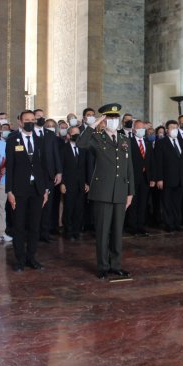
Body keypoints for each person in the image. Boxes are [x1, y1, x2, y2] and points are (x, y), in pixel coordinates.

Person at [78, 103, 135, 279]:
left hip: (120, 191)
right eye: (109, 118)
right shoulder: (97, 138)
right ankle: (102, 266)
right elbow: (80, 143)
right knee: (103, 232)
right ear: (104, 120)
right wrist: (93, 125)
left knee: (117, 232)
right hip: (102, 192)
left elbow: (129, 168)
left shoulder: (124, 140)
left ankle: (116, 265)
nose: (114, 121)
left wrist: (130, 192)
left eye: (116, 118)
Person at [5, 110, 50, 272]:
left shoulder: (39, 140)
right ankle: (20, 259)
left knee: (34, 225)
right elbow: (9, 167)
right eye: (27, 120)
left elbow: (43, 166)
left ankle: (31, 257)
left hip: (37, 189)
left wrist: (45, 189)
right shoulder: (12, 140)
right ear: (20, 122)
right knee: (19, 225)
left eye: (33, 119)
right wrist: (9, 191)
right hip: (19, 189)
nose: (30, 122)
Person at [33, 108, 63, 242]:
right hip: (34, 175)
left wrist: (59, 171)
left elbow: (56, 154)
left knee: (48, 205)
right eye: (38, 116)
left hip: (49, 174)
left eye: (42, 116)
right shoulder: (28, 133)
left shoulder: (50, 135)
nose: (41, 118)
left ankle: (45, 233)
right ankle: (34, 232)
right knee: (35, 205)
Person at [154, 119, 183, 232]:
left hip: (180, 178)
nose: (174, 130)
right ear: (167, 130)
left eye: (176, 127)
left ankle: (177, 223)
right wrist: (159, 179)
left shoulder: (182, 141)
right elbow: (158, 162)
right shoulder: (161, 143)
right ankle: (169, 224)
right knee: (167, 202)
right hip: (167, 178)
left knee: (177, 203)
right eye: (172, 128)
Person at [59, 125, 89, 240]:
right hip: (68, 184)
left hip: (81, 184)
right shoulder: (63, 149)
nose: (77, 136)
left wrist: (86, 182)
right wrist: (62, 183)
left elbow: (85, 167)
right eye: (74, 134)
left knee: (79, 208)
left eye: (78, 134)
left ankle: (76, 230)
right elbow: (60, 167)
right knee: (69, 208)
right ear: (68, 135)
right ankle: (68, 231)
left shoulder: (83, 149)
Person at [127, 120, 154, 236]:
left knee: (143, 203)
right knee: (133, 203)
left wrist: (153, 178)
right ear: (134, 130)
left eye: (143, 128)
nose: (142, 130)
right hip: (133, 178)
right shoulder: (128, 143)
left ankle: (141, 225)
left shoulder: (147, 143)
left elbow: (152, 162)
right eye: (139, 128)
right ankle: (132, 226)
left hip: (145, 178)